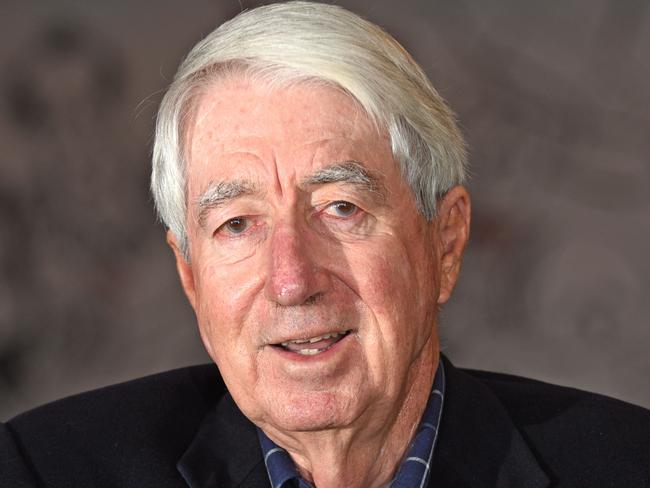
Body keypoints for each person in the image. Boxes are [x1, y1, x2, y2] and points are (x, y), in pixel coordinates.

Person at [2, 2, 648, 487]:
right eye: (237, 224)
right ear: (191, 277)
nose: (292, 279)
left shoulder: (626, 465)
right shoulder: (42, 471)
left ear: (445, 243)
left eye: (341, 209)